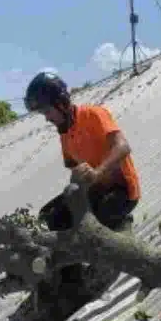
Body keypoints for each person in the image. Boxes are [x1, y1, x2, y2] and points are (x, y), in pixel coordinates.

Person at [24, 71, 141, 234]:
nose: (47, 118)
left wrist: (97, 172)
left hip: (122, 192)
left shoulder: (93, 114)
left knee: (88, 226)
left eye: (47, 111)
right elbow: (74, 168)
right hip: (95, 191)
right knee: (48, 216)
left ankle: (120, 225)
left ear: (61, 103)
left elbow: (123, 147)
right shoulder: (64, 133)